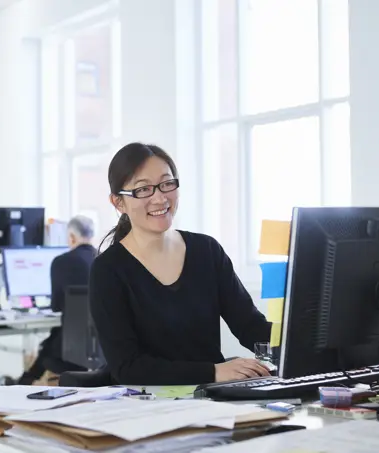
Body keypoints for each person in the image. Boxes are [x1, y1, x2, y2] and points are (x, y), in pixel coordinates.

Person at [89, 142, 272, 385]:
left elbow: (251, 327)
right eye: (143, 189)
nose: (160, 197)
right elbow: (128, 366)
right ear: (118, 203)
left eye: (166, 184)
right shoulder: (108, 270)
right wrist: (215, 372)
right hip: (147, 405)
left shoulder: (207, 251)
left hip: (213, 398)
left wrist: (306, 344)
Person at [16, 215, 98, 385]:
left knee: (50, 344)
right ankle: (26, 380)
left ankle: (24, 382)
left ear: (72, 237)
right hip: (102, 347)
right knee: (54, 338)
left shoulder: (62, 261)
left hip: (72, 349)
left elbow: (56, 306)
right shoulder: (104, 259)